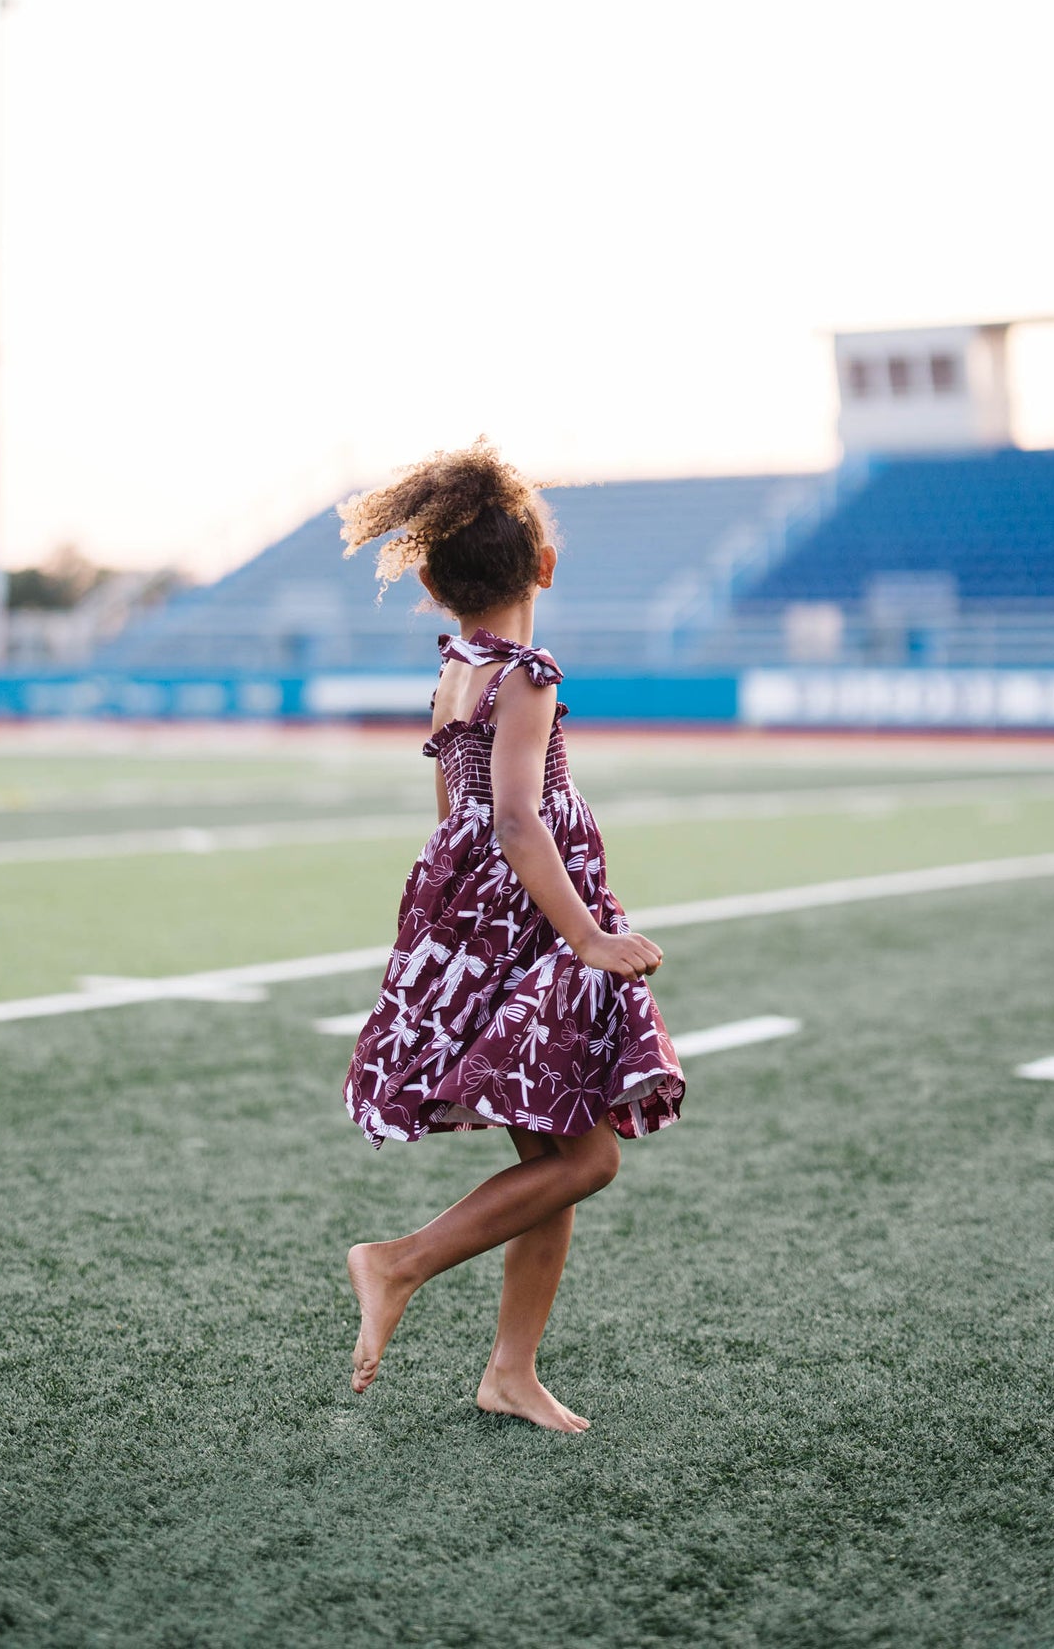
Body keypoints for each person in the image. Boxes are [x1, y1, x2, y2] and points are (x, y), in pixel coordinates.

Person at [337, 440, 685, 1432]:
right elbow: (516, 819)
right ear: (543, 564)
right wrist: (582, 936)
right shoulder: (525, 673)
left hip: (480, 917)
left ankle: (509, 1368)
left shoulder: (456, 668)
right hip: (531, 920)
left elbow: (452, 808)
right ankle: (396, 1261)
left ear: (437, 587)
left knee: (558, 1140)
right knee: (586, 1158)